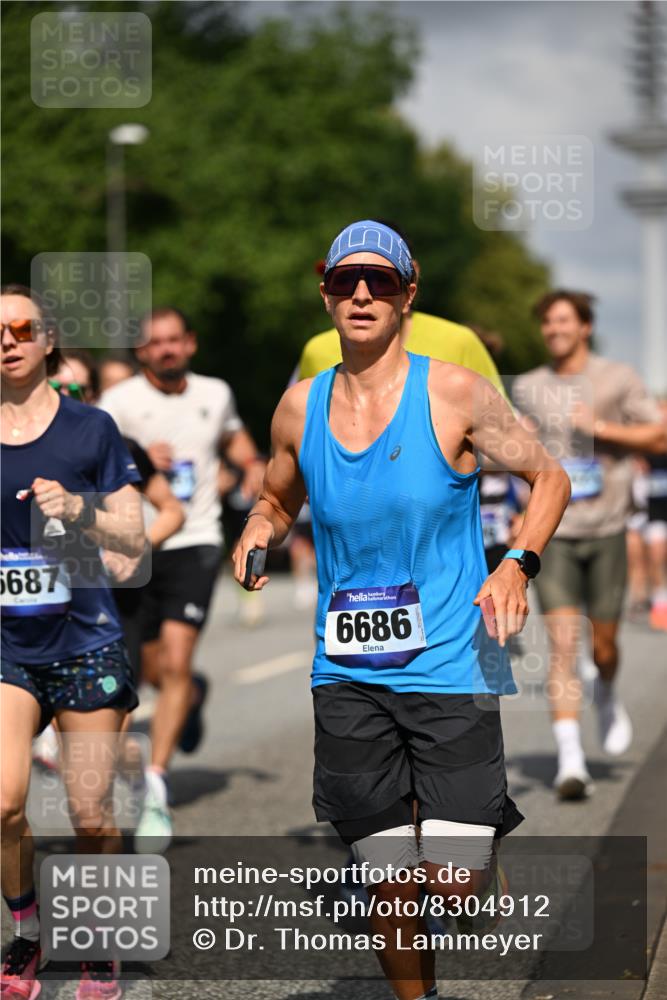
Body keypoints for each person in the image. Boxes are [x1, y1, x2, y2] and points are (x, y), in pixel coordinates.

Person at [233, 221, 570, 1000]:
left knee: (452, 884)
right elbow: (275, 496)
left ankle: (468, 857)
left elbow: (548, 477)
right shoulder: (297, 406)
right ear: (323, 291)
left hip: (450, 661)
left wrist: (516, 563)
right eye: (344, 279)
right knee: (386, 878)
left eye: (379, 281)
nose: (360, 293)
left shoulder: (451, 391)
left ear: (405, 294)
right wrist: (258, 530)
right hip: (344, 670)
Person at [1, 284, 145, 999]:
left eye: (21, 326)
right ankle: (26, 932)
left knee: (90, 813)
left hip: (85, 642)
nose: (8, 339)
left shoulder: (93, 429)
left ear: (47, 337)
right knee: (1, 803)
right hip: (5, 645)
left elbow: (135, 536)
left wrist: (79, 508)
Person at [98, 307, 265, 848]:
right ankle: (190, 696)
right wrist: (140, 462)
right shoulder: (119, 403)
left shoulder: (215, 394)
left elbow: (235, 443)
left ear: (190, 344)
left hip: (195, 540)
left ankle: (155, 784)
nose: (166, 350)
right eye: (155, 343)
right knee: (142, 673)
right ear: (141, 351)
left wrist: (254, 467)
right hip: (133, 547)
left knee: (173, 660)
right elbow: (89, 458)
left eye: (175, 340)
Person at [513, 290, 667, 800]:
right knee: (562, 643)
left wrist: (597, 427)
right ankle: (571, 760)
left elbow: (660, 437)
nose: (554, 330)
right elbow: (508, 451)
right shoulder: (530, 387)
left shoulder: (617, 377)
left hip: (607, 530)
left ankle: (606, 691)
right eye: (547, 324)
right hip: (553, 532)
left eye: (563, 321)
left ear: (584, 327)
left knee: (603, 646)